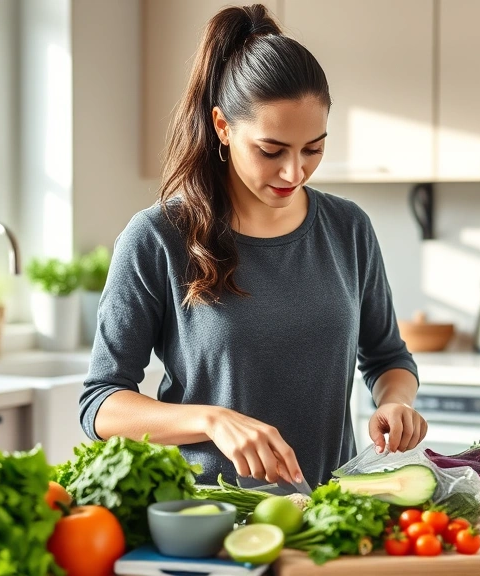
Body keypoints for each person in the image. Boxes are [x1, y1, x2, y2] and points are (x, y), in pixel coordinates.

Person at [78, 4, 426, 488]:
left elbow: (388, 358)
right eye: (271, 150)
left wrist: (396, 402)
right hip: (207, 520)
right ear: (223, 127)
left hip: (329, 515)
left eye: (313, 149)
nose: (294, 172)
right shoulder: (157, 237)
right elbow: (100, 403)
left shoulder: (348, 228)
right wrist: (212, 420)